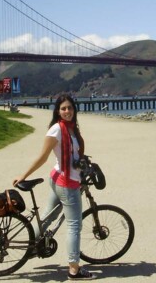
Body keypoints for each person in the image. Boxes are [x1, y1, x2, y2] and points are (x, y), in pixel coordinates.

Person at [13, 93, 95, 280]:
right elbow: (42, 157)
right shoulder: (57, 130)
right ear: (58, 111)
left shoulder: (71, 128)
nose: (67, 111)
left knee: (47, 218)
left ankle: (30, 248)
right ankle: (74, 269)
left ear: (74, 110)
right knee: (74, 226)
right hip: (66, 183)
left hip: (60, 178)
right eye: (63, 108)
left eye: (70, 108)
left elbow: (73, 155)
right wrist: (23, 175)